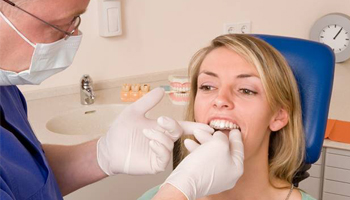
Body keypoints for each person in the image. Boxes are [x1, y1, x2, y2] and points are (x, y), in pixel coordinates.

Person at [0, 0, 246, 199]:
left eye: (247, 90)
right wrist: (181, 189)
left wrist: (101, 155)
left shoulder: (6, 89)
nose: (72, 36)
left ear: (281, 114)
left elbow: (26, 177)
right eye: (58, 26)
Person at [139, 34, 316, 200]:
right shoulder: (164, 194)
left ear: (278, 116)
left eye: (246, 90)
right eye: (207, 87)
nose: (220, 100)